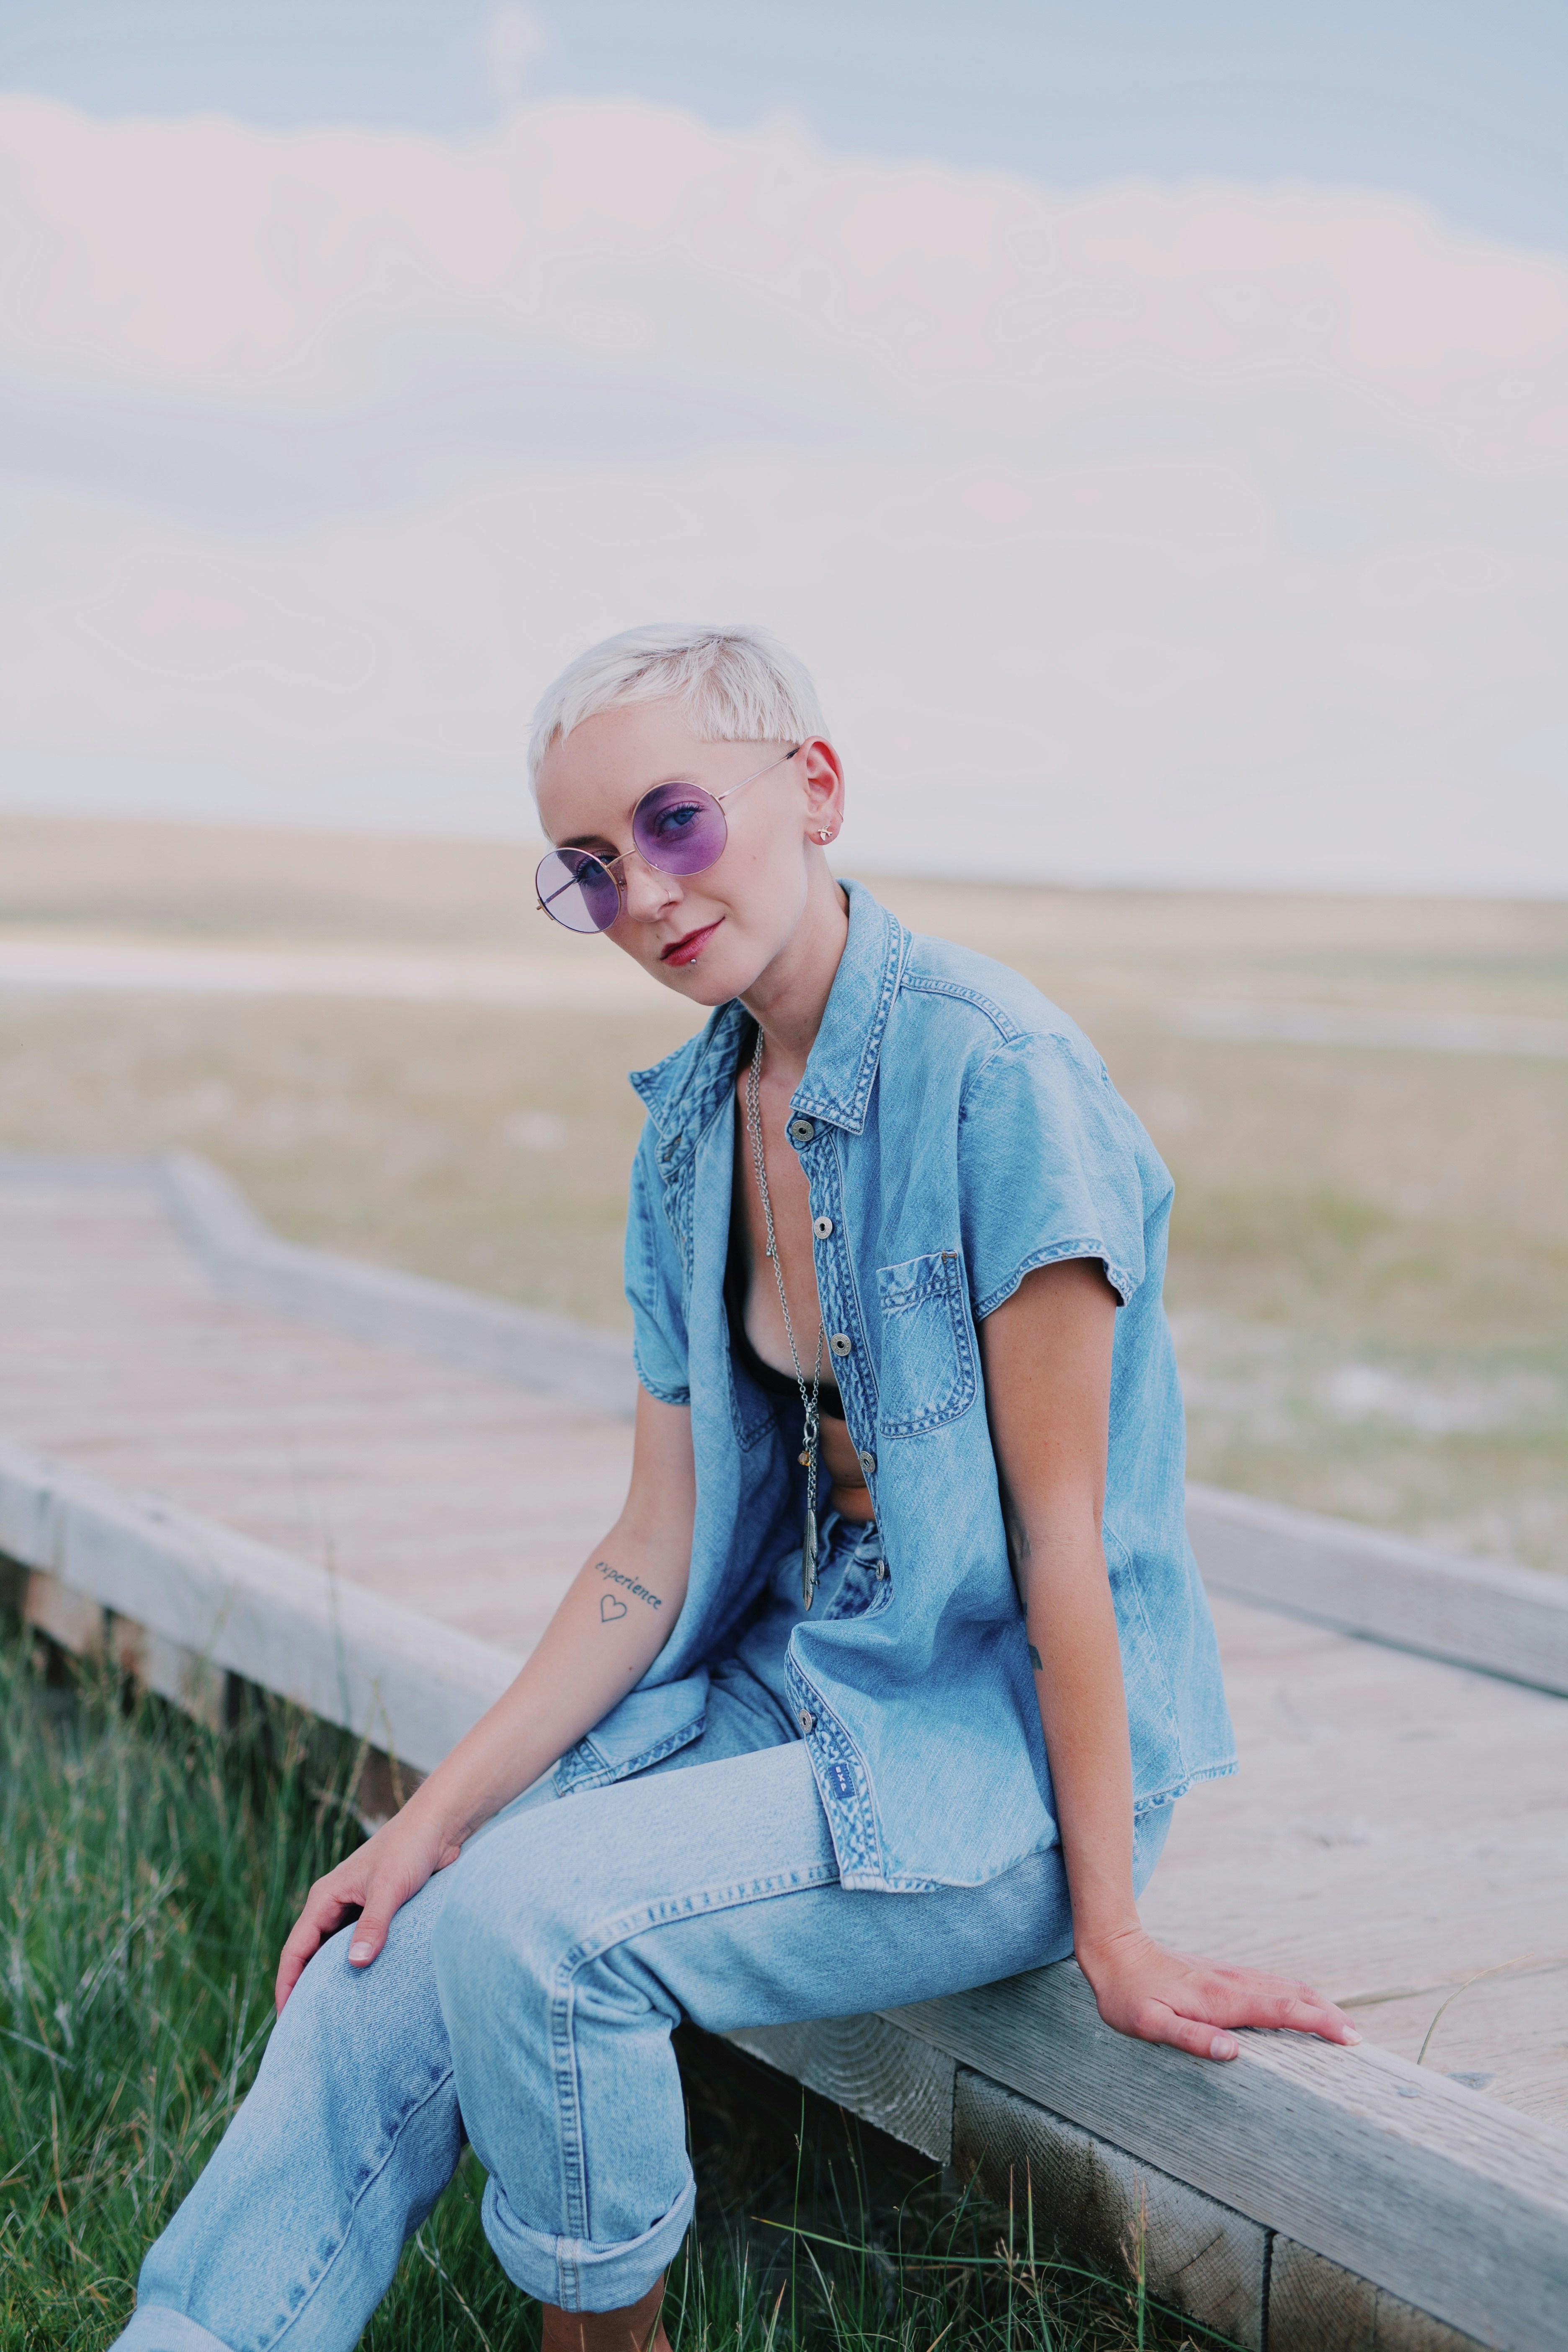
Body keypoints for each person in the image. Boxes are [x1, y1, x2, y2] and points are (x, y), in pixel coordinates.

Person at [116, 624, 1356, 2352]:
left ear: (816, 790)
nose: (643, 894)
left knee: (547, 1931)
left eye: (675, 823)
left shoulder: (1001, 1082)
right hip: (793, 1686)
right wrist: (425, 1823)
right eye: (590, 868)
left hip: (985, 1752)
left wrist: (1114, 1928)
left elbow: (1069, 1547)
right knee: (380, 1960)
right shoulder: (692, 1124)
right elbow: (649, 1554)